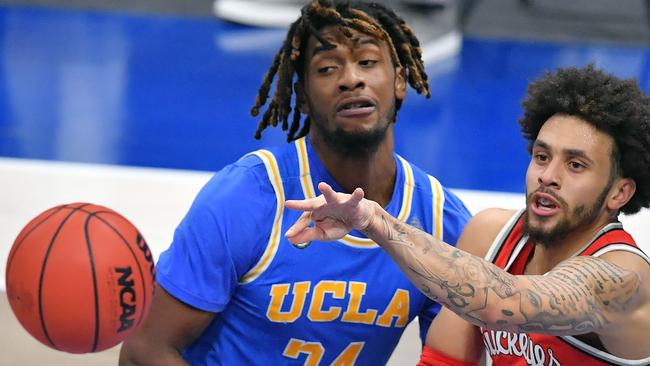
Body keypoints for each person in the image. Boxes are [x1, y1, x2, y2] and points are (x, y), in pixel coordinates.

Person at [119, 1, 471, 364]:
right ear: (302, 96)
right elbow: (145, 350)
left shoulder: (440, 221)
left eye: (367, 61)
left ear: (399, 80)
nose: (351, 78)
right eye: (328, 67)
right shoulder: (248, 197)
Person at [285, 65, 650, 365]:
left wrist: (376, 221)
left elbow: (501, 303)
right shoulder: (490, 234)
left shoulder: (624, 279)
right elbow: (442, 361)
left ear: (619, 192)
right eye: (541, 156)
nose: (548, 176)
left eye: (575, 164)